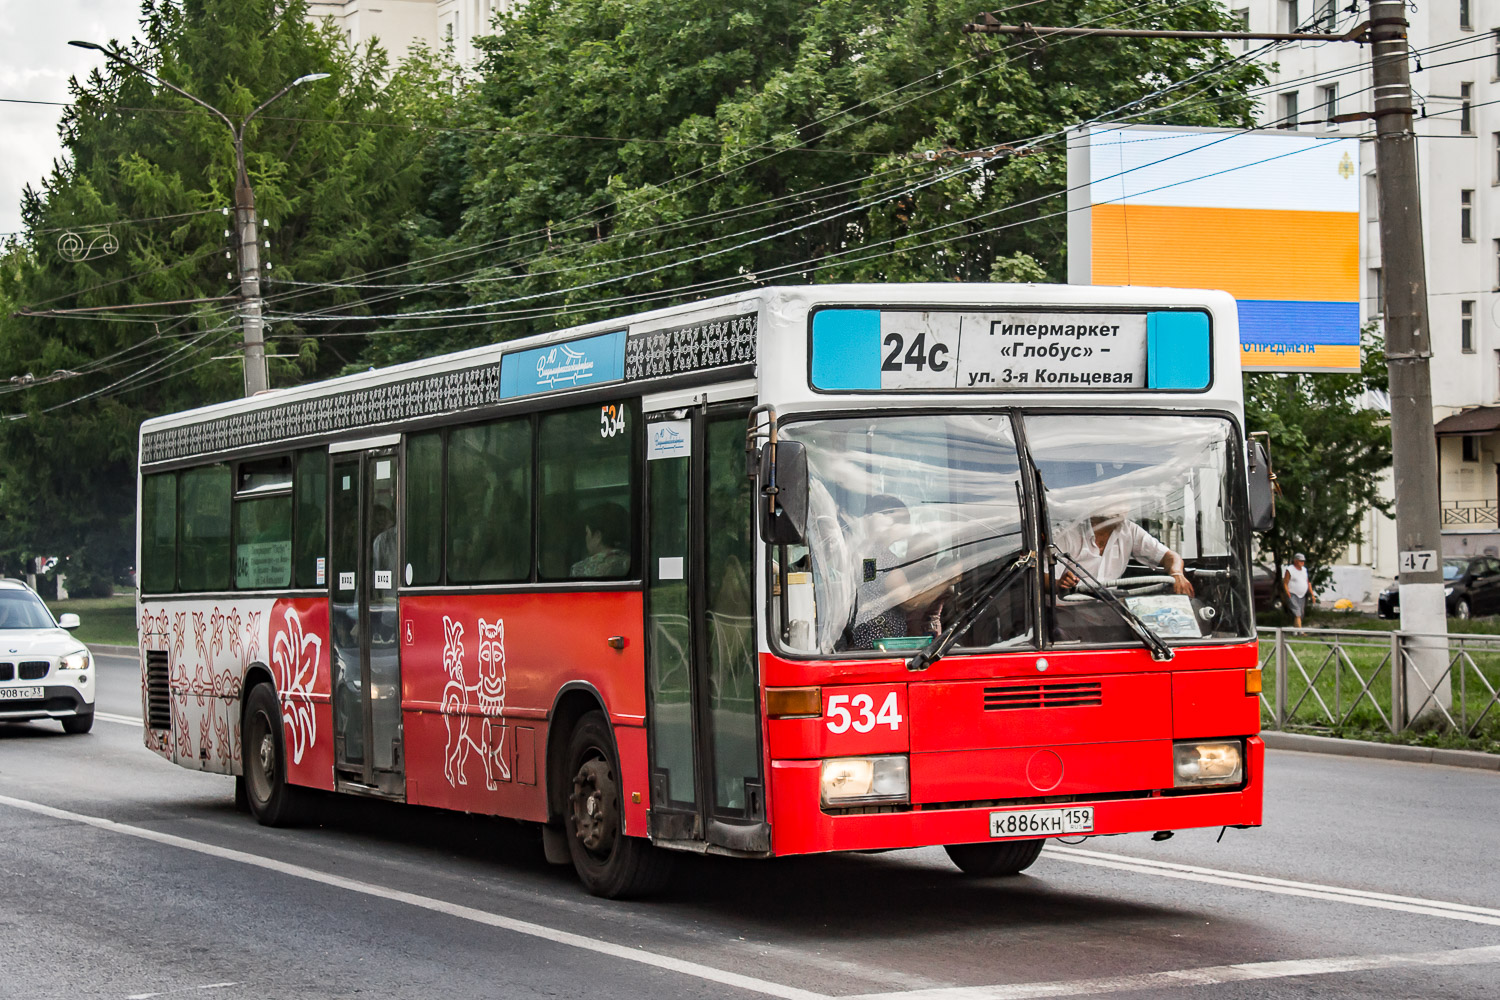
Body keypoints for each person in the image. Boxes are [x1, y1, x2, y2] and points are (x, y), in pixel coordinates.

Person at [849, 495, 957, 650]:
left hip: (867, 636)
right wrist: (947, 579)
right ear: (884, 522)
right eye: (903, 522)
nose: (907, 528)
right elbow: (910, 602)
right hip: (882, 642)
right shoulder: (884, 559)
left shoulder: (866, 552)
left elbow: (872, 583)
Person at [1054, 504, 1195, 597]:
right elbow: (1044, 577)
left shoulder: (1129, 530)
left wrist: (1177, 574)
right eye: (1114, 501)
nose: (1120, 507)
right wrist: (1060, 584)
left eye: (1124, 501)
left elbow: (1169, 556)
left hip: (1110, 610)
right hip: (1067, 611)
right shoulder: (1065, 534)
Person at [571, 502, 631, 578]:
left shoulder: (579, 570)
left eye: (587, 532)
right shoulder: (633, 563)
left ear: (597, 536)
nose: (585, 538)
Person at [1283, 552, 1316, 628]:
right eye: (1300, 561)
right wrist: (1288, 593)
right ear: (1295, 561)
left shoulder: (1304, 570)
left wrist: (1312, 595)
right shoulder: (1290, 569)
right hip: (1293, 594)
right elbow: (1285, 582)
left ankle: (1296, 631)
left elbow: (1308, 582)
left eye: (1303, 561)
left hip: (1302, 595)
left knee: (1300, 614)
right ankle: (1301, 632)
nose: (1302, 562)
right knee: (1297, 613)